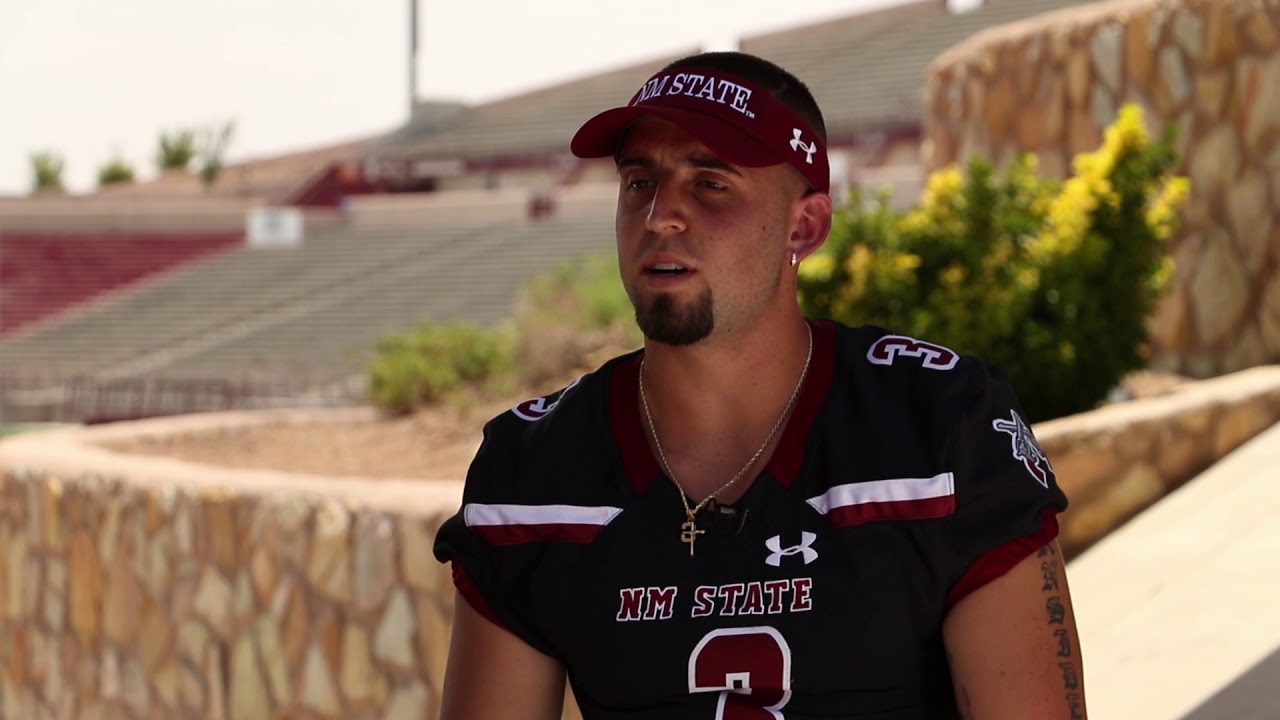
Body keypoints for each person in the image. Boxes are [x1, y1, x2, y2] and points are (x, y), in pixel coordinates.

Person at [433, 51, 1086, 720]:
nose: (660, 216)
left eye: (710, 183)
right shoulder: (534, 471)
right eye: (639, 182)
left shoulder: (940, 425)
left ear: (804, 227)